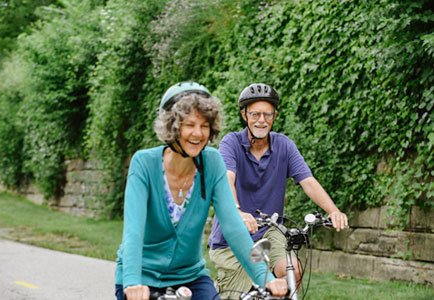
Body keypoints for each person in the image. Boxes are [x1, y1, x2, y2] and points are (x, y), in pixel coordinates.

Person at [114, 82, 288, 300]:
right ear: (172, 126)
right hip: (141, 277)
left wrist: (266, 278)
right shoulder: (144, 163)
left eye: (205, 126)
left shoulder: (212, 162)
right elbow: (133, 232)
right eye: (189, 125)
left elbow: (234, 229)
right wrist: (132, 282)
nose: (198, 133)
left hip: (190, 277)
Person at [208, 83, 349, 295]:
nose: (261, 120)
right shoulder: (231, 143)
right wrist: (237, 211)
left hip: (269, 232)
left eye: (268, 114)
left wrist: (333, 211)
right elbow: (227, 179)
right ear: (244, 115)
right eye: (255, 114)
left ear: (274, 116)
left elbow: (308, 181)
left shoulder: (284, 145)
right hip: (232, 238)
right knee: (246, 291)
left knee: (292, 271)